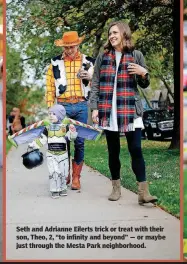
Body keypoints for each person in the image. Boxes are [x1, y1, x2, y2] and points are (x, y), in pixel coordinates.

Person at [89, 21, 158, 205]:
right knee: (113, 151)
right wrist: (94, 107)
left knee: (135, 149)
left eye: (114, 32)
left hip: (129, 110)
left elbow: (144, 84)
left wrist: (144, 73)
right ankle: (116, 188)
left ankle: (143, 193)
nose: (111, 36)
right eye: (109, 33)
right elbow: (95, 83)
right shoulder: (103, 57)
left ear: (124, 33)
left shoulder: (136, 55)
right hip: (108, 110)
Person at [45, 31, 95, 190]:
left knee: (79, 142)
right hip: (62, 106)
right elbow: (50, 86)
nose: (69, 50)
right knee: (62, 141)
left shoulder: (88, 62)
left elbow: (95, 85)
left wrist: (89, 77)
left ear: (78, 45)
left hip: (81, 105)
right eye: (66, 47)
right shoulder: (54, 63)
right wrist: (50, 107)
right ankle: (65, 173)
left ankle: (76, 178)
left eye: (72, 46)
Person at [28, 105, 78, 199]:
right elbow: (42, 139)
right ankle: (54, 190)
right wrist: (34, 145)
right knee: (54, 172)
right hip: (51, 155)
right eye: (50, 114)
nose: (51, 116)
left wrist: (73, 132)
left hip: (63, 155)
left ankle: (63, 187)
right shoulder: (47, 128)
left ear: (60, 115)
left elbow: (70, 138)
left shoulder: (65, 127)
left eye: (54, 114)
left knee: (63, 173)